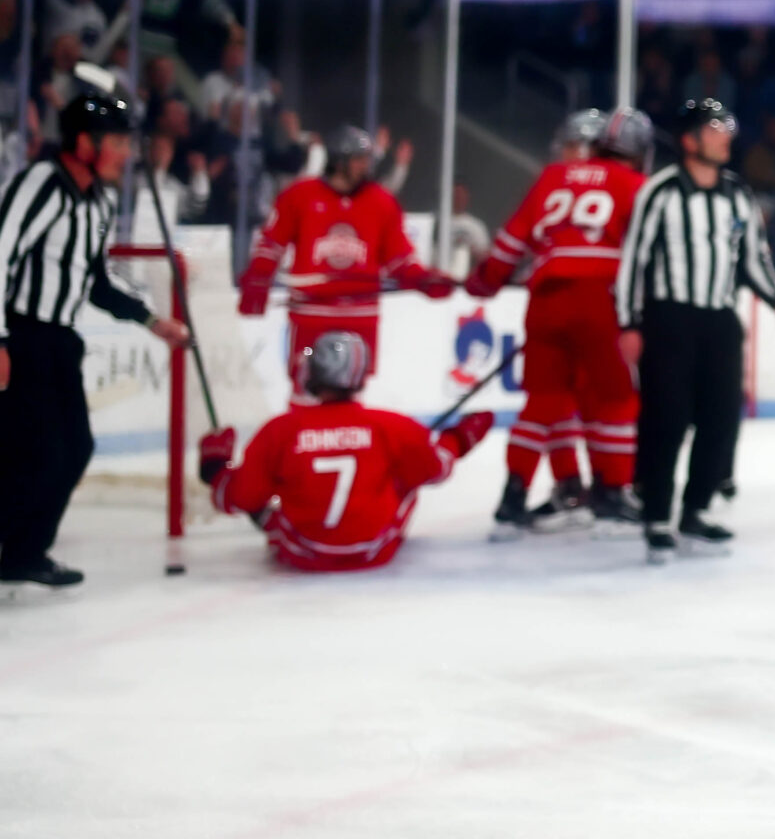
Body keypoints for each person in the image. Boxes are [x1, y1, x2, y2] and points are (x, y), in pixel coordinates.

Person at [0, 65, 188, 589]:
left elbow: (94, 282)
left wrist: (152, 321)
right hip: (21, 335)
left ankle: (23, 552)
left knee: (73, 448)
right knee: (32, 452)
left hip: (60, 341)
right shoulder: (41, 184)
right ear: (85, 143)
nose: (127, 155)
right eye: (117, 143)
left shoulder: (97, 204)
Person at [616, 97, 775, 564]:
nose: (727, 136)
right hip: (669, 317)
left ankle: (695, 509)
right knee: (667, 418)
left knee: (721, 419)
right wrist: (629, 323)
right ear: (690, 139)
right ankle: (657, 514)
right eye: (716, 128)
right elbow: (633, 262)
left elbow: (753, 260)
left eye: (727, 127)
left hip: (719, 319)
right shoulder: (659, 192)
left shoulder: (738, 193)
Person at [467, 105, 652, 537]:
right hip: (600, 298)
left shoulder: (552, 177)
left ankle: (512, 499)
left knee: (543, 402)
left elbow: (511, 243)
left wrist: (484, 282)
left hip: (545, 298)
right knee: (617, 401)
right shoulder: (636, 186)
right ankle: (612, 493)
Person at [197, 332, 495, 572]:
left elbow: (240, 498)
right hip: (373, 552)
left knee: (265, 489)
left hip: (301, 552)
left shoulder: (280, 431)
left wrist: (215, 469)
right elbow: (436, 469)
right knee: (408, 475)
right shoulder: (391, 426)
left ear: (312, 375)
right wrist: (459, 438)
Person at [239, 124, 455, 400]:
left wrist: (424, 280)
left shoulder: (382, 202)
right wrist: (258, 280)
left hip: (358, 323)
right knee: (305, 384)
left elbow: (400, 261)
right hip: (311, 321)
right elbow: (270, 245)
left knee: (352, 391)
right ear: (339, 161)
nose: (366, 166)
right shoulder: (300, 196)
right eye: (359, 159)